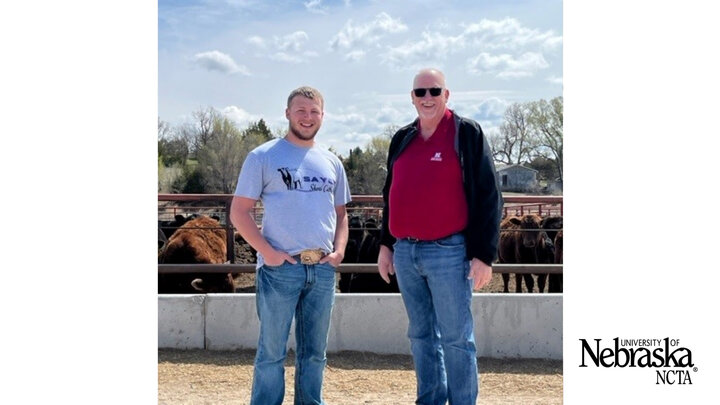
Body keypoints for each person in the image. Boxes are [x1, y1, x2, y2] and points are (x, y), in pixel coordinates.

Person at [376, 68, 503, 404]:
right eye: (421, 92)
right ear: (412, 98)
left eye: (435, 91)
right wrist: (386, 245)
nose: (427, 98)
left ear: (447, 95)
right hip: (406, 252)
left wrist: (484, 254)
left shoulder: (466, 133)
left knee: (457, 338)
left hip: (449, 251)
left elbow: (490, 194)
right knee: (420, 336)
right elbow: (390, 193)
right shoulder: (402, 138)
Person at [230, 86, 351, 405]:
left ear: (323, 116)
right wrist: (268, 253)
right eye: (300, 111)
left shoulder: (332, 163)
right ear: (287, 114)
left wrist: (338, 252)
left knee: (315, 354)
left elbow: (341, 215)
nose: (307, 117)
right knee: (271, 353)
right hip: (281, 270)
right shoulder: (263, 156)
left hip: (323, 270)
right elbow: (239, 212)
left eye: (314, 112)